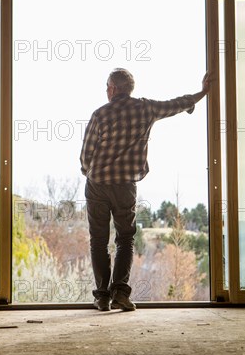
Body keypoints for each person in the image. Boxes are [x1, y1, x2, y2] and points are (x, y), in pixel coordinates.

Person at [80, 68, 213, 311]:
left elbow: (86, 154)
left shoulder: (100, 114)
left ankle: (101, 297)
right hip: (125, 186)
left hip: (98, 184)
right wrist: (202, 92)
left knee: (98, 240)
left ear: (113, 88)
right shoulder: (145, 108)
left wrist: (87, 171)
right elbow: (176, 104)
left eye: (107, 85)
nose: (106, 89)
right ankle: (120, 293)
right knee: (125, 239)